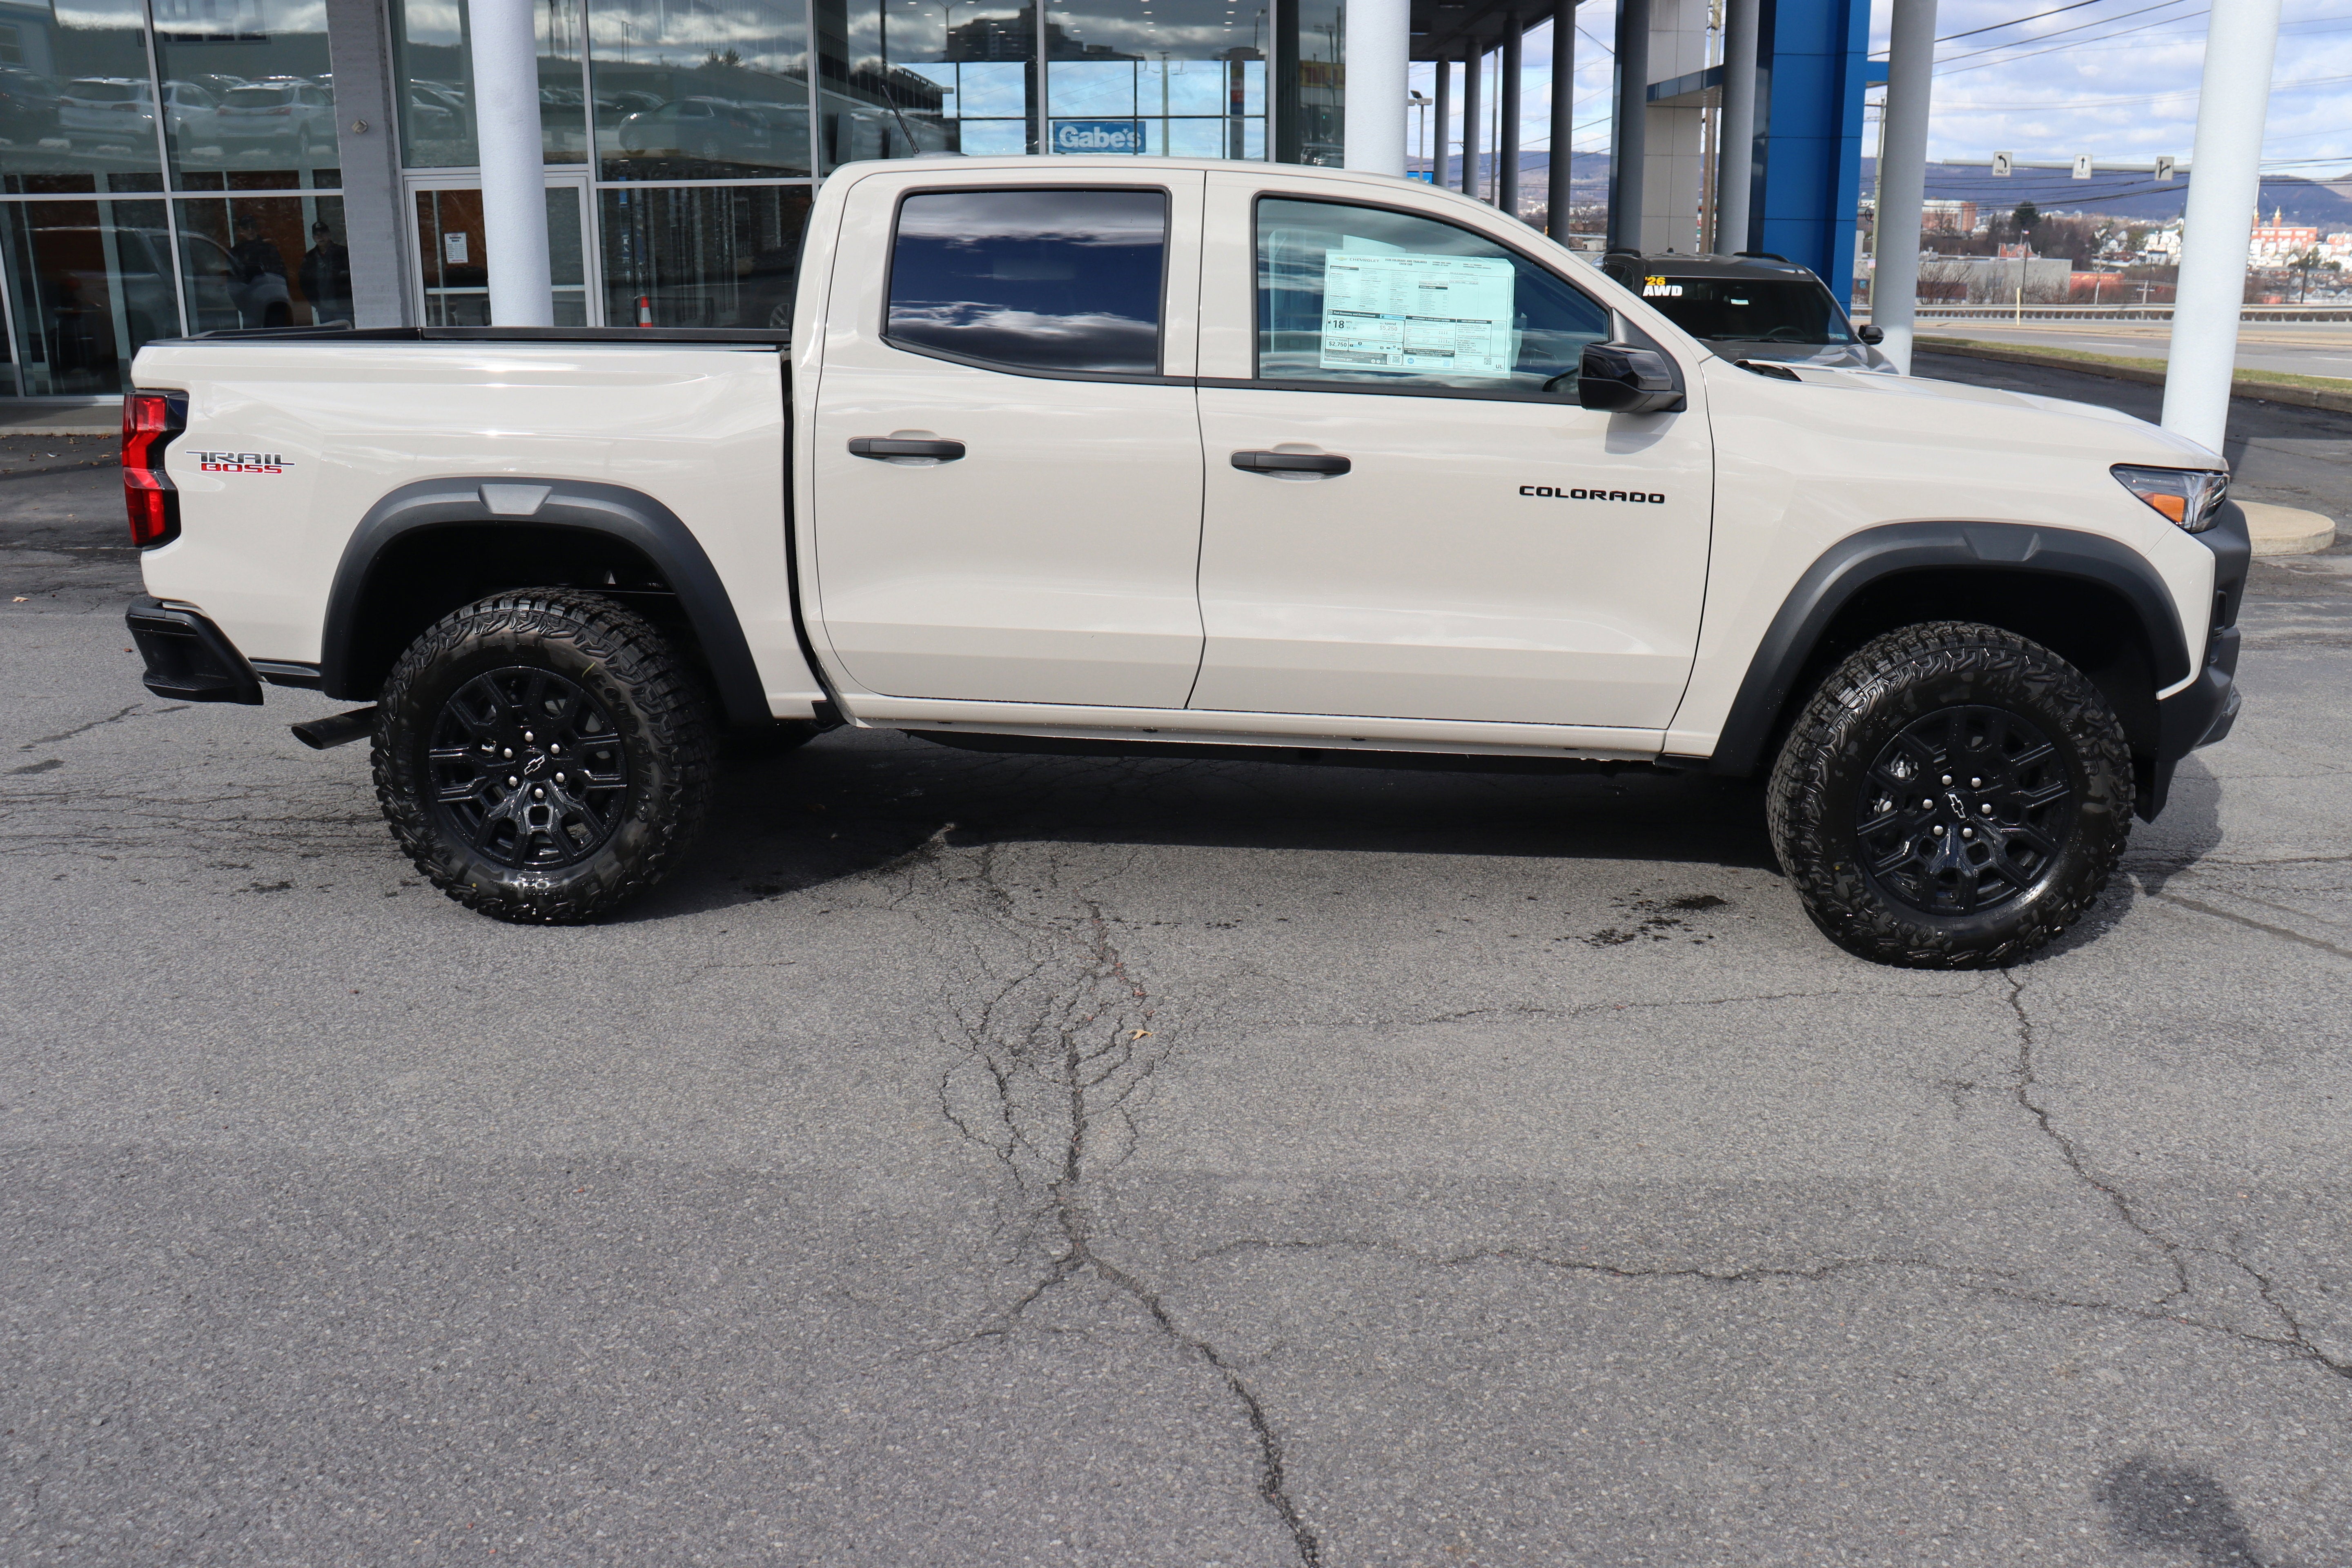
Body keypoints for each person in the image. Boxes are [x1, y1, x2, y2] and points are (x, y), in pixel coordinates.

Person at [227, 212, 292, 327]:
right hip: (250, 304)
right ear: (241, 230)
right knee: (253, 339)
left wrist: (282, 298)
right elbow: (233, 282)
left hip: (273, 303)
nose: (251, 230)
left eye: (253, 226)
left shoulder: (269, 249)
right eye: (247, 227)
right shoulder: (237, 253)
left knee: (276, 336)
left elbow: (282, 274)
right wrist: (243, 305)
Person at [301, 219, 352, 324]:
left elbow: (352, 276)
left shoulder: (343, 252)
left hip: (344, 306)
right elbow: (304, 282)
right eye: (317, 235)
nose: (320, 237)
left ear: (329, 235)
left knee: (347, 334)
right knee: (329, 337)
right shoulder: (310, 258)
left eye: (323, 234)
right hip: (323, 308)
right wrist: (315, 302)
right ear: (314, 238)